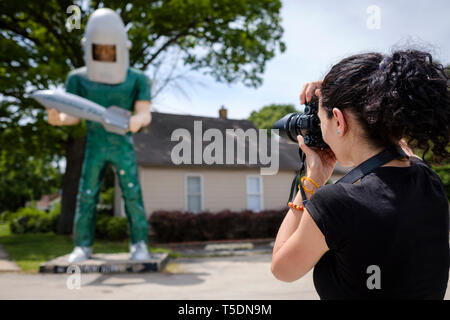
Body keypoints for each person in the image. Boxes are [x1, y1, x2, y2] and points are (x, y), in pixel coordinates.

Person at [271, 50, 450, 299]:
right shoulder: (427, 179)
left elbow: (282, 269)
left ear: (338, 121)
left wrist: (313, 180)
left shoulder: (336, 202)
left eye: (320, 120)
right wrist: (346, 93)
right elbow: (397, 145)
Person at [46, 8, 152, 263]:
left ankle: (139, 243)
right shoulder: (77, 79)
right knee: (87, 194)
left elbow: (144, 113)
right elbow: (73, 115)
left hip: (122, 143)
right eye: (99, 48)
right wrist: (57, 119)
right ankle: (82, 245)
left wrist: (134, 122)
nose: (104, 53)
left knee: (132, 193)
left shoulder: (137, 79)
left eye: (109, 48)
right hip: (94, 144)